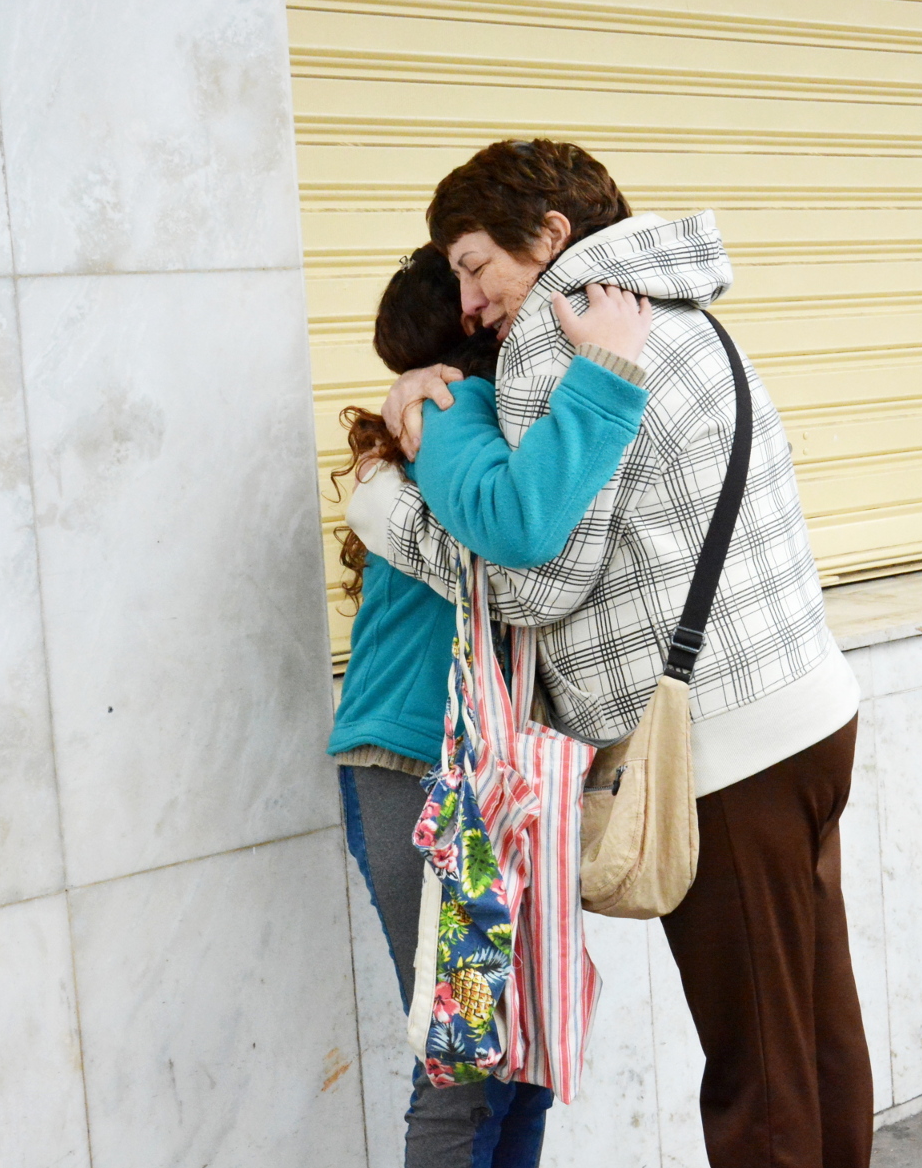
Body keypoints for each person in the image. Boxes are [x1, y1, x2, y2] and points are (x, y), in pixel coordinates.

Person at [356, 140, 872, 1168]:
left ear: (546, 237)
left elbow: (534, 574)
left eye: (472, 264)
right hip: (805, 713)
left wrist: (389, 510)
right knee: (814, 1030)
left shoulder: (563, 339)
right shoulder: (678, 314)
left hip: (716, 754)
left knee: (755, 1065)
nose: (468, 302)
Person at [329, 243, 652, 1167]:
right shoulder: (451, 417)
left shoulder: (480, 427)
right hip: (426, 772)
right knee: (469, 1064)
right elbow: (516, 536)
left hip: (496, 772)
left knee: (525, 1055)